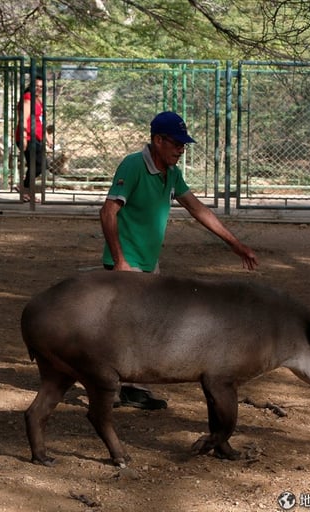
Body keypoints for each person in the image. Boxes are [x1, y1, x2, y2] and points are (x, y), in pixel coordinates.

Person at [100, 111, 259, 409]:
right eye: (176, 143)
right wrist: (120, 262)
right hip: (127, 263)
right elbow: (108, 211)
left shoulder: (171, 173)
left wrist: (235, 244)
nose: (180, 149)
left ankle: (130, 388)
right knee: (128, 327)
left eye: (183, 145)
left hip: (148, 263)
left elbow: (198, 209)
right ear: (157, 140)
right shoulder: (134, 165)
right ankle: (112, 387)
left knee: (144, 326)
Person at [15, 76, 47, 203]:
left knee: (37, 165)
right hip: (28, 137)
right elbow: (23, 118)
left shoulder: (38, 100)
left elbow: (41, 120)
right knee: (38, 165)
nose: (39, 89)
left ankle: (26, 190)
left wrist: (47, 137)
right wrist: (23, 137)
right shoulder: (28, 98)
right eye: (37, 86)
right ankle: (25, 189)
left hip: (36, 137)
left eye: (41, 86)